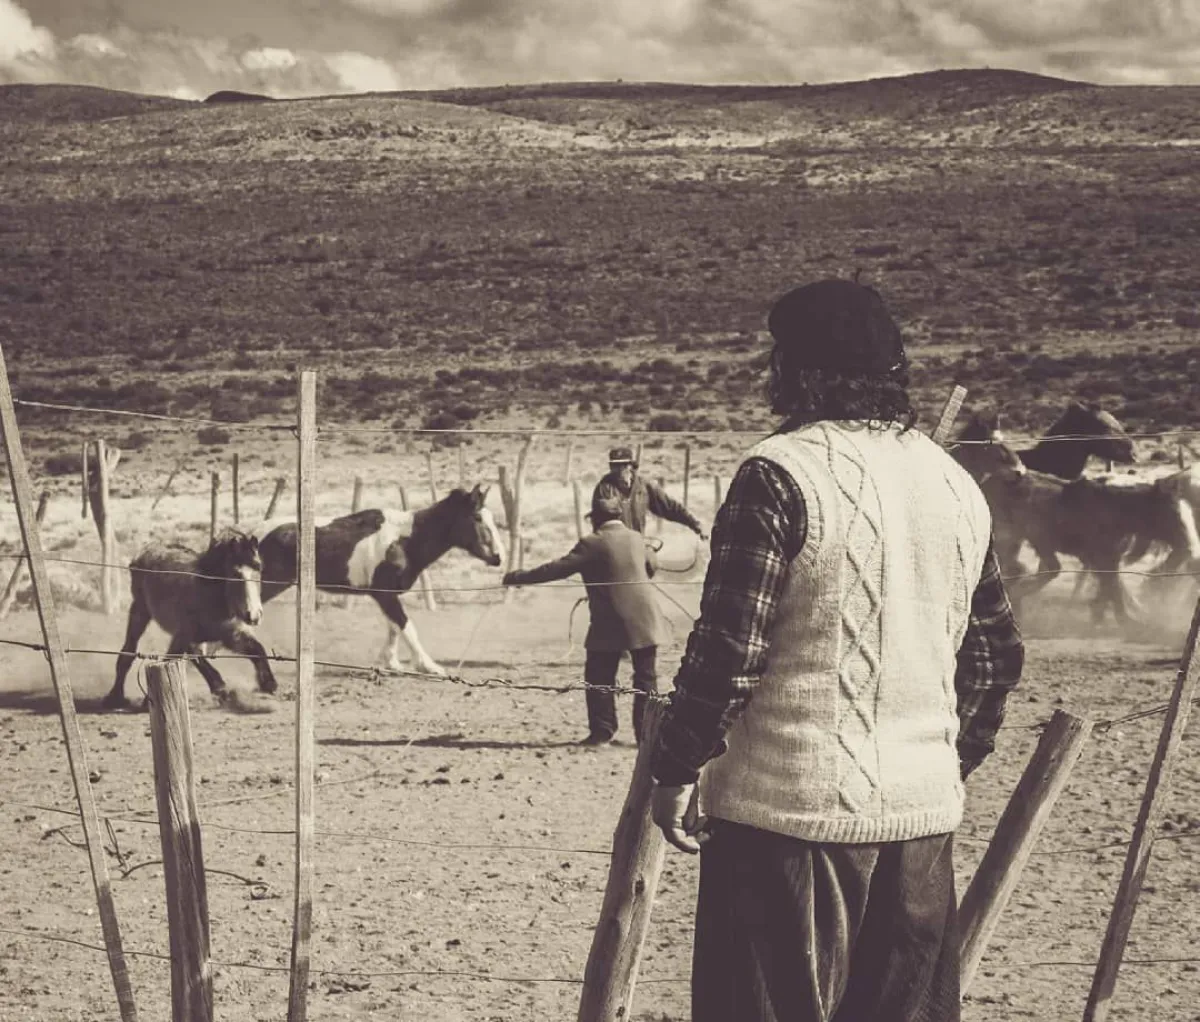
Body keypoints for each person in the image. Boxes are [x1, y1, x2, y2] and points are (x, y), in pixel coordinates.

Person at [647, 278, 1025, 1022]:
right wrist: (940, 762)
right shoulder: (954, 482)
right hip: (921, 823)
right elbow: (995, 657)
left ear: (795, 370)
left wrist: (676, 768)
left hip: (784, 821)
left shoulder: (777, 473)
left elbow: (729, 652)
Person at [502, 494, 666, 746]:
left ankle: (602, 731)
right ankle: (646, 736)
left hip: (612, 621)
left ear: (595, 519)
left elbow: (556, 569)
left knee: (599, 675)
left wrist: (517, 577)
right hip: (648, 619)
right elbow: (651, 566)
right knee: (645, 678)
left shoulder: (592, 543)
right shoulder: (637, 538)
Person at [593, 446, 708, 541]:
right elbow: (601, 524)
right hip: (614, 546)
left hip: (637, 545)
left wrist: (695, 525)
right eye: (614, 466)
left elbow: (670, 507)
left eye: (623, 465)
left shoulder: (644, 486)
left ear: (631, 466)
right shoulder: (604, 489)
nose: (618, 470)